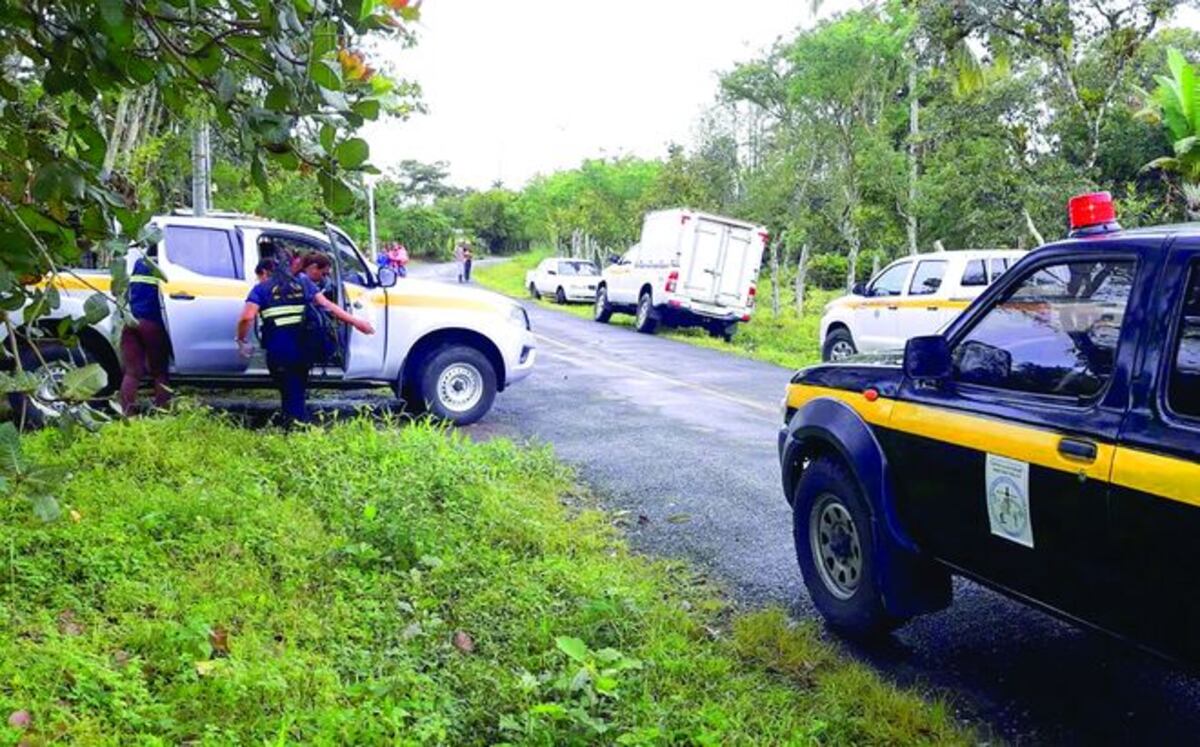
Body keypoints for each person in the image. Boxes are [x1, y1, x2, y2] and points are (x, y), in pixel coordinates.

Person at [235, 260, 375, 427]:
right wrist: (357, 322)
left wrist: (242, 339)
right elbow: (327, 305)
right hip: (306, 346)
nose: (259, 280)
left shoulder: (261, 289)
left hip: (280, 350)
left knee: (289, 388)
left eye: (259, 277)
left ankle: (295, 426)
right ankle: (295, 422)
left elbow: (247, 317)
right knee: (296, 386)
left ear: (264, 273)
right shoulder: (302, 283)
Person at [119, 250, 172, 413]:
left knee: (132, 373)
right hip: (152, 324)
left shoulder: (138, 264)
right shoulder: (162, 267)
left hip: (131, 322)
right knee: (160, 372)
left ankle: (127, 414)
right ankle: (163, 412)